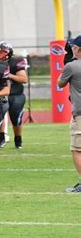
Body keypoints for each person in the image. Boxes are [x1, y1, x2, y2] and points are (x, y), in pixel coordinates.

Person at [57, 35, 81, 193]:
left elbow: (60, 82)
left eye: (73, 47)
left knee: (77, 149)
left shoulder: (72, 66)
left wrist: (68, 62)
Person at [0, 41, 28, 149]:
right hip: (2, 93)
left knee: (16, 119)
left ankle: (18, 139)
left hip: (16, 94)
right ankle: (1, 137)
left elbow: (23, 79)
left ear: (8, 53)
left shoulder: (16, 61)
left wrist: (8, 75)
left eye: (2, 52)